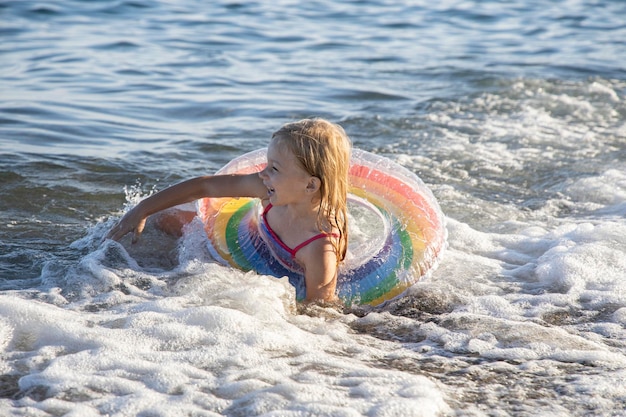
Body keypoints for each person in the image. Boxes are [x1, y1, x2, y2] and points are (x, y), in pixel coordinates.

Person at [107, 118, 351, 304]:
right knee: (164, 219)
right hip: (251, 238)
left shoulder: (318, 246)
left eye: (274, 169)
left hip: (277, 269)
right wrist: (142, 209)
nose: (263, 174)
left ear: (310, 185)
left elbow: (319, 307)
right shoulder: (268, 188)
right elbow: (205, 186)